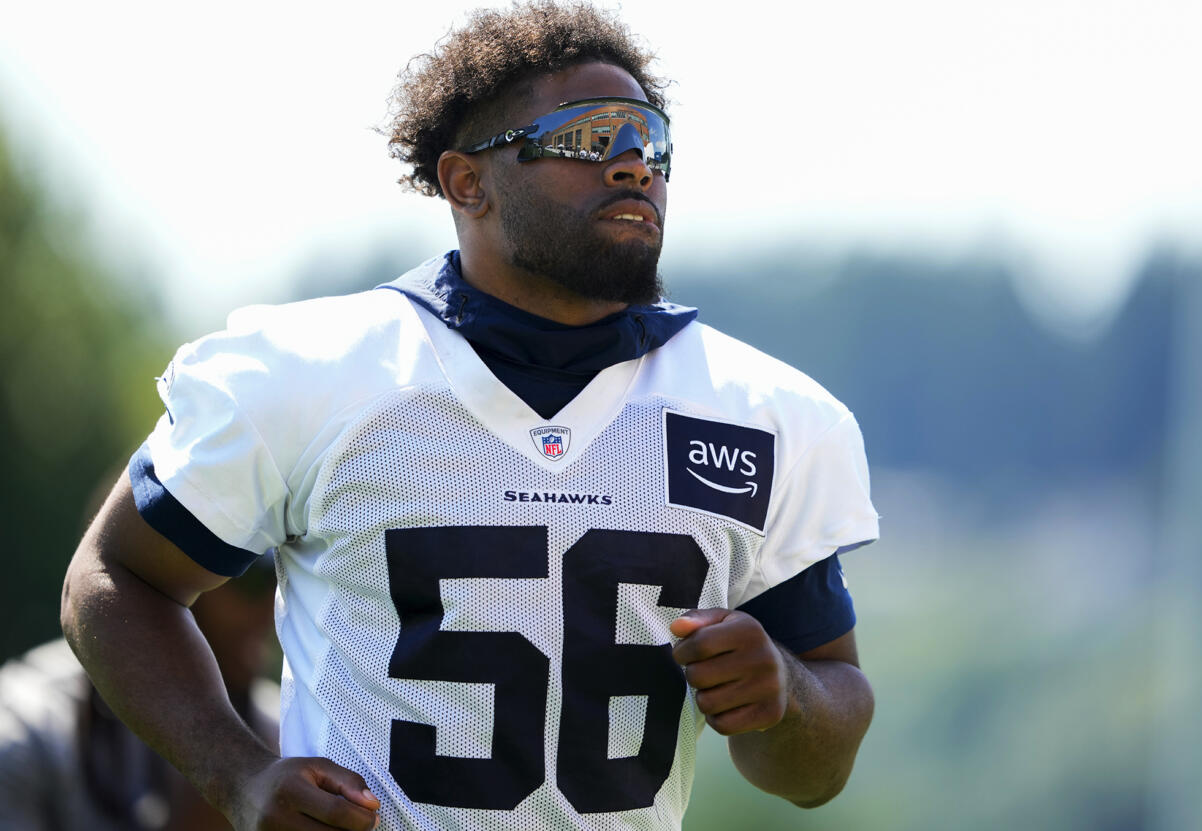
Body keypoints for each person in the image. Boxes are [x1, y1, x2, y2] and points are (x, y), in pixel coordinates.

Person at [60, 2, 879, 830]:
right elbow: (114, 578)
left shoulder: (768, 416)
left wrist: (787, 694)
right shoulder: (311, 374)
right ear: (467, 181)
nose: (635, 164)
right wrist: (236, 772)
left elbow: (817, 767)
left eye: (652, 141)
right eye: (590, 138)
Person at [2, 558, 278, 830]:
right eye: (251, 580)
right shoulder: (21, 729)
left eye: (284, 583)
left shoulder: (276, 732)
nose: (274, 610)